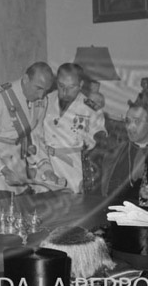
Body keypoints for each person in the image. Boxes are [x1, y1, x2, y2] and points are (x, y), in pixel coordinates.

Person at [0, 62, 60, 197]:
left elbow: (36, 137)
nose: (41, 95)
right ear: (25, 79)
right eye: (38, 88)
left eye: (46, 90)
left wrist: (46, 169)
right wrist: (4, 170)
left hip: (18, 169)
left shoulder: (42, 100)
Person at [42, 63, 107, 193]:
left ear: (81, 84)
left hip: (72, 169)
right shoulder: (45, 100)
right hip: (46, 166)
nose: (65, 92)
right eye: (61, 86)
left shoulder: (90, 108)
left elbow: (100, 138)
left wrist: (90, 176)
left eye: (71, 87)